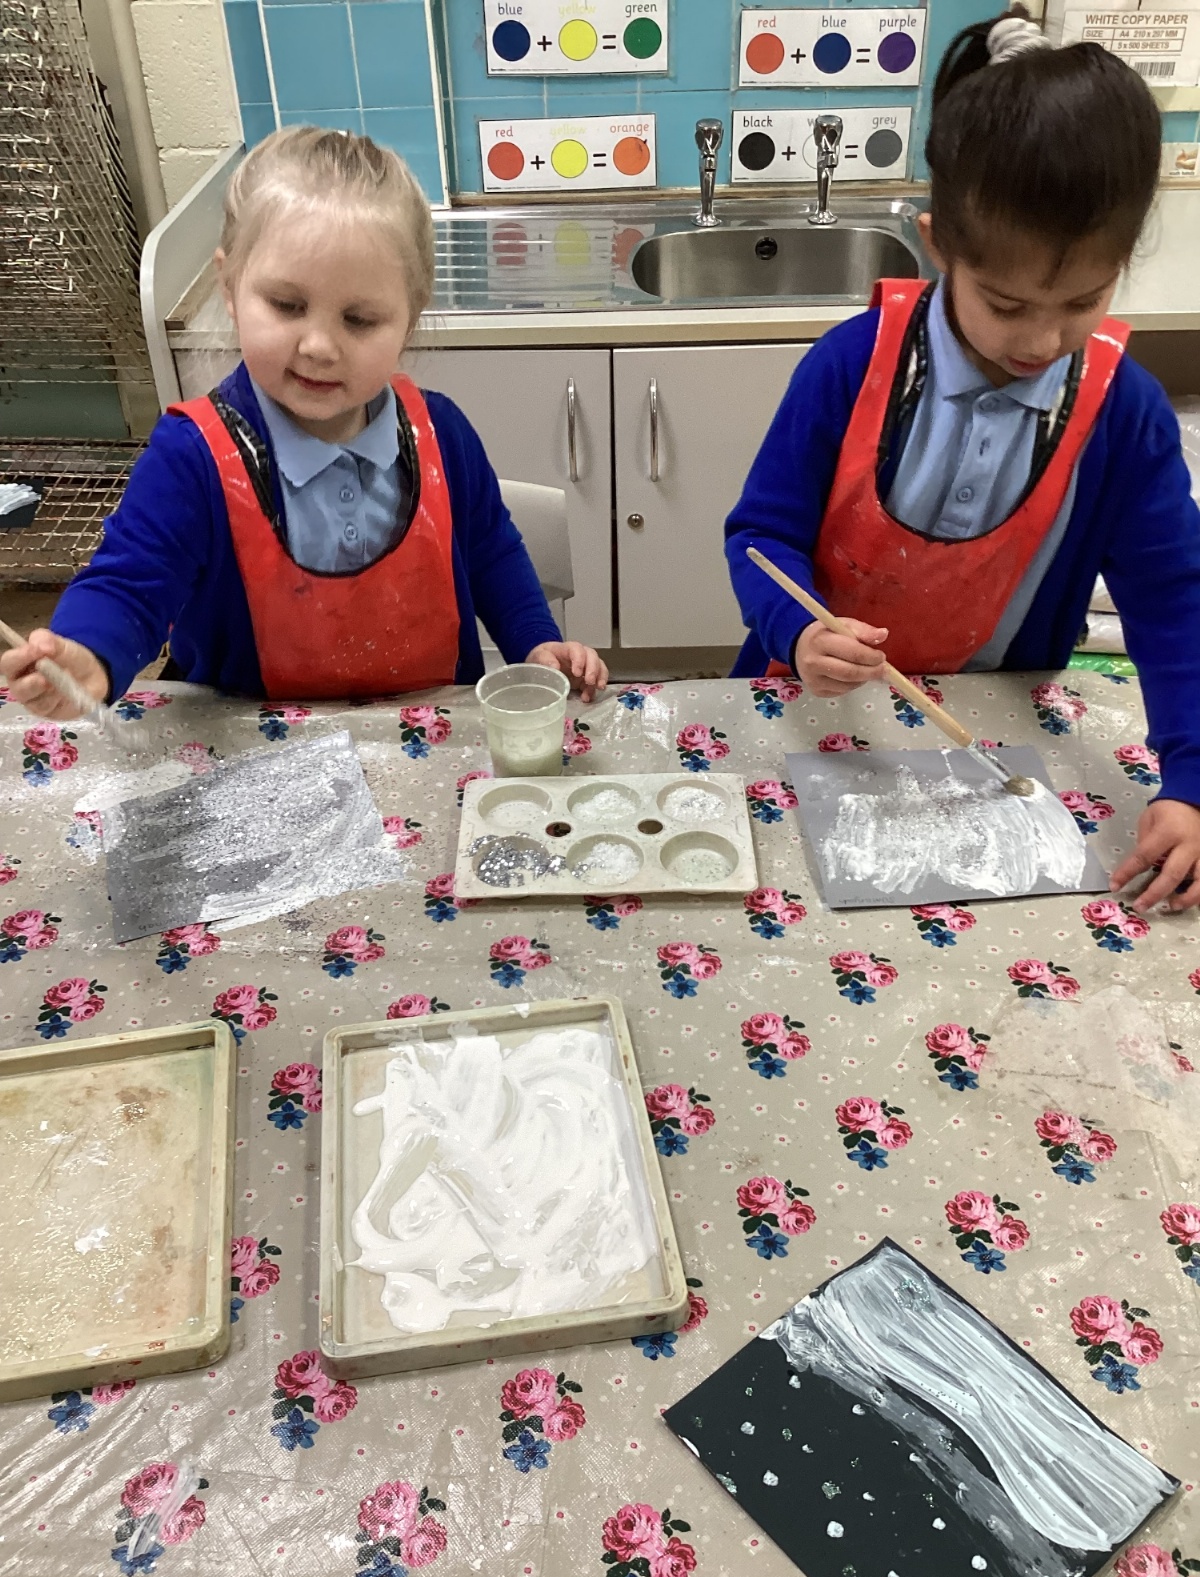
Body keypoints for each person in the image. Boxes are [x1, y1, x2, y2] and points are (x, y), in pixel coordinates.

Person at [726, 6, 1200, 913]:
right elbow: (759, 539)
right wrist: (796, 631)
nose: (1044, 341)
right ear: (938, 243)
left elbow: (1177, 603)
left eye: (1083, 301)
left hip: (997, 735)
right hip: (814, 713)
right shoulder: (849, 367)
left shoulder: (1123, 414)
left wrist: (1191, 781)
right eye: (1007, 304)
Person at [2, 127, 606, 714]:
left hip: (426, 738)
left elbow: (491, 552)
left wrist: (535, 643)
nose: (319, 346)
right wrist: (89, 653)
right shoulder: (192, 458)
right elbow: (132, 584)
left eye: (359, 319)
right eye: (287, 305)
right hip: (248, 754)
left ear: (410, 318)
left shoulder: (443, 435)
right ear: (230, 287)